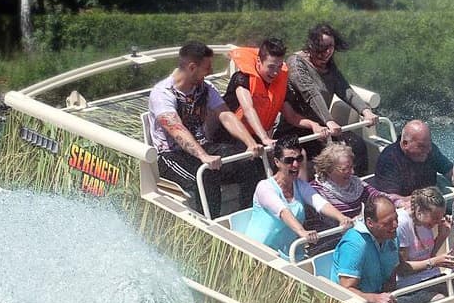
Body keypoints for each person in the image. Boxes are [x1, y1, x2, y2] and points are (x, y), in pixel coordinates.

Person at [150, 41, 265, 217]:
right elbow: (176, 129)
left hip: (203, 146)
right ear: (192, 67)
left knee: (251, 162)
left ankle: (249, 215)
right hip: (171, 155)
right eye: (207, 67)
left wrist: (250, 143)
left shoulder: (205, 88)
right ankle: (211, 227)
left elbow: (226, 115)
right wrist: (203, 156)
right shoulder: (163, 93)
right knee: (204, 177)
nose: (210, 71)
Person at [284, 22, 378, 174]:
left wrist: (365, 111)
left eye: (331, 47)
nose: (327, 52)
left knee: (357, 145)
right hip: (297, 128)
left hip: (323, 128)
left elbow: (345, 89)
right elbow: (311, 93)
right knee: (306, 157)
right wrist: (329, 120)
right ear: (311, 45)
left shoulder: (329, 65)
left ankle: (356, 189)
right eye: (322, 48)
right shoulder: (296, 63)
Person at [244, 142, 351, 259]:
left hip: (290, 254)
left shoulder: (300, 185)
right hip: (260, 253)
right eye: (289, 160)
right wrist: (302, 232)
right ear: (277, 162)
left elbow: (319, 202)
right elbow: (283, 211)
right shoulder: (264, 187)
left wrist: (341, 218)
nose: (295, 164)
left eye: (299, 159)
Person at [222, 38, 328, 150]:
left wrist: (313, 125)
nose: (276, 72)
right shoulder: (242, 78)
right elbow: (248, 109)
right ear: (259, 61)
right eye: (271, 67)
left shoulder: (280, 84)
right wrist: (264, 137)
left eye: (279, 66)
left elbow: (291, 116)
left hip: (257, 138)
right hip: (231, 137)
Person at [330, 196, 425, 303]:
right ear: (370, 223)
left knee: (435, 298)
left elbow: (392, 275)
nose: (395, 225)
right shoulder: (354, 244)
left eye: (396, 219)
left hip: (382, 300)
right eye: (388, 223)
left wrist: (388, 298)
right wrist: (375, 299)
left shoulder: (392, 236)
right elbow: (346, 289)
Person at [373, 119, 454, 205]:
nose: (428, 150)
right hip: (410, 205)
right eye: (421, 146)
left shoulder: (430, 149)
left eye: (429, 144)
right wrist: (423, 199)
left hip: (432, 196)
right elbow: (390, 199)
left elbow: (452, 172)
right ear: (405, 144)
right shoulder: (389, 160)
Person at [395, 187, 454, 303]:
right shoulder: (402, 224)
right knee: (440, 299)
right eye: (435, 218)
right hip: (410, 285)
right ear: (419, 211)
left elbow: (428, 256)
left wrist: (441, 236)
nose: (437, 222)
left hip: (432, 278)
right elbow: (402, 269)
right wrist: (435, 262)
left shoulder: (425, 222)